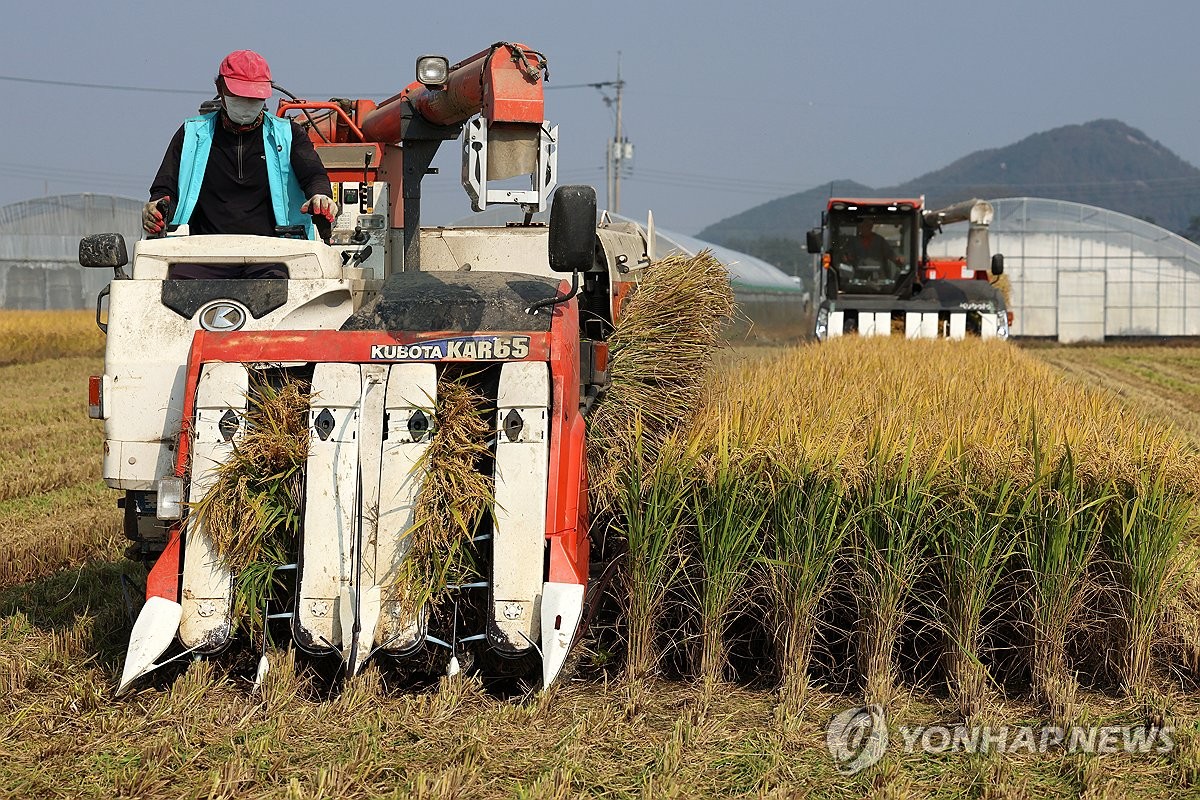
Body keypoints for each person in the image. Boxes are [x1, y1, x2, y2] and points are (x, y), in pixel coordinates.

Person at [143, 50, 336, 276]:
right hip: (202, 256)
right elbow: (164, 188)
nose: (247, 103)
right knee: (171, 286)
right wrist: (155, 208)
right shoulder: (192, 134)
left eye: (254, 97)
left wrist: (321, 196)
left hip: (274, 256)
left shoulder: (288, 134)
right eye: (240, 96)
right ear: (220, 90)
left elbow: (314, 176)